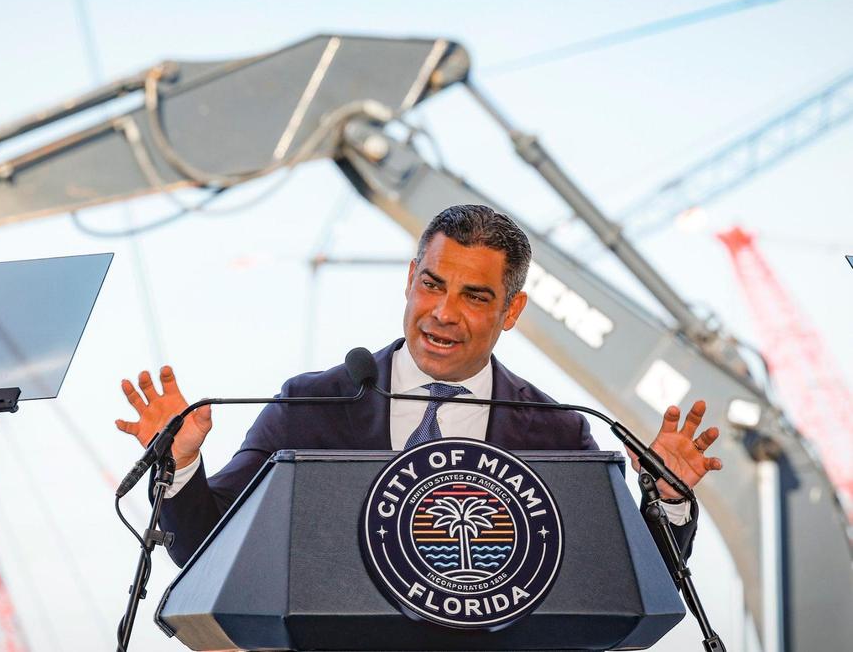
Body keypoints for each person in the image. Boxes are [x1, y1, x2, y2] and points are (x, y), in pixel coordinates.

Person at [116, 204, 723, 566]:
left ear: (511, 311)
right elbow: (204, 544)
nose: (443, 313)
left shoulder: (557, 431)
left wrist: (666, 501)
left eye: (475, 297)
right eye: (432, 285)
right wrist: (182, 463)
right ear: (410, 279)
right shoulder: (310, 405)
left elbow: (619, 573)